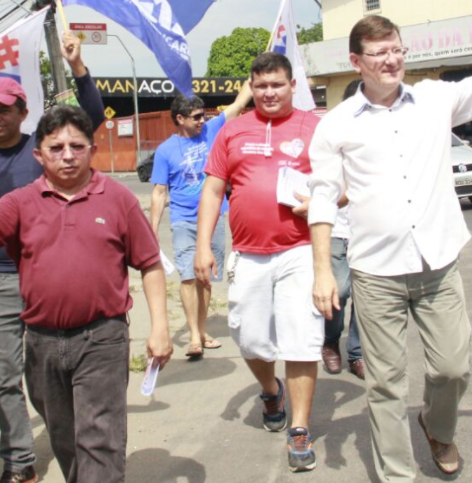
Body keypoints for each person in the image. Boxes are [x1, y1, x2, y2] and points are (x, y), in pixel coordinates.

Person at [308, 15, 472, 481]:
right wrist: (323, 270)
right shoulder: (335, 124)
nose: (392, 60)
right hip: (376, 273)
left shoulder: (434, 99)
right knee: (385, 384)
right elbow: (323, 197)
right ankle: (397, 475)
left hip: (438, 265)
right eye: (380, 53)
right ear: (356, 62)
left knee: (453, 367)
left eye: (397, 50)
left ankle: (436, 424)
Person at [0, 105, 173, 482]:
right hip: (42, 342)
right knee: (64, 438)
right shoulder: (21, 202)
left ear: (92, 149)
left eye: (76, 146)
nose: (67, 155)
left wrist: (160, 328)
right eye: (56, 148)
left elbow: (150, 263)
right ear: (39, 155)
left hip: (102, 337)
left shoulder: (117, 198)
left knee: (99, 438)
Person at [0, 32, 104, 483]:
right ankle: (19, 462)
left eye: (4, 109)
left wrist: (79, 68)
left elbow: (92, 118)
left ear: (22, 112)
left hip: (44, 279)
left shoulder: (41, 151)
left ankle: (68, 444)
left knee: (46, 383)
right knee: (2, 378)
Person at [194, 52, 322, 473]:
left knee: (301, 339)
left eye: (277, 85)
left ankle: (299, 428)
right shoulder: (232, 131)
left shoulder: (314, 127)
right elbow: (213, 191)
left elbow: (342, 183)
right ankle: (272, 390)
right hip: (247, 254)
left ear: (291, 86)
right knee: (248, 339)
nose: (269, 92)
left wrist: (323, 202)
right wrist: (203, 245)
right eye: (261, 85)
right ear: (252, 86)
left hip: (299, 251)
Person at [149, 84, 252, 358]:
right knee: (187, 276)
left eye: (202, 115)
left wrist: (255, 78)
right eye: (196, 117)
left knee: (206, 279)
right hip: (183, 219)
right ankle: (194, 334)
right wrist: (152, 230)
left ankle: (203, 329)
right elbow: (159, 193)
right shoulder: (165, 151)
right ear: (180, 119)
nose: (202, 121)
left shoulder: (212, 130)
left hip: (214, 217)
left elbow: (239, 104)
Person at [320, 80, 363, 380]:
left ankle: (357, 353)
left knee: (365, 295)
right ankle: (331, 341)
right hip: (336, 228)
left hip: (368, 231)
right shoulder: (331, 136)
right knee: (341, 291)